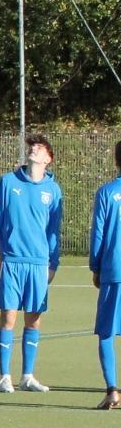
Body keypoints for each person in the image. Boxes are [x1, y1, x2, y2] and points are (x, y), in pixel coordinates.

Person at [0, 134, 61, 393]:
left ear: (48, 159)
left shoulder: (53, 190)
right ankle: (5, 376)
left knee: (34, 320)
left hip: (38, 264)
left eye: (40, 148)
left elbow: (53, 230)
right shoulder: (8, 182)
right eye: (32, 146)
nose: (34, 149)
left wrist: (53, 262)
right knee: (8, 317)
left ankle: (27, 376)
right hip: (12, 261)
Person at [91, 142, 121, 410]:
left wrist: (95, 267)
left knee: (106, 332)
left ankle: (112, 389)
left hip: (114, 269)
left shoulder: (107, 192)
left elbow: (98, 234)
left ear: (116, 161)